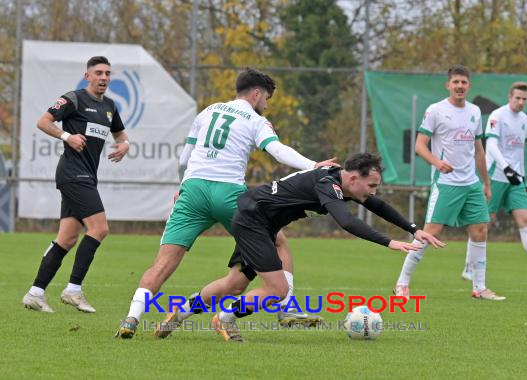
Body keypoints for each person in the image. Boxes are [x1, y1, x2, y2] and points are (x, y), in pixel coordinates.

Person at [116, 68, 336, 339]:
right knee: (278, 241)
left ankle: (131, 318)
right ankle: (286, 306)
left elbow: (184, 160)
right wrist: (314, 166)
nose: (266, 105)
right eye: (266, 98)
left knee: (163, 266)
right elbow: (277, 151)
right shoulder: (256, 120)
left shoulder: (207, 112)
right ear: (256, 94)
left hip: (192, 190)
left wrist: (182, 187)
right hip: (229, 194)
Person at [176, 152, 443, 342]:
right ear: (351, 178)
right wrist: (390, 242)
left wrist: (413, 229)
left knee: (234, 283)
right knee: (276, 289)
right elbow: (347, 222)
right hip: (254, 219)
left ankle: (179, 313)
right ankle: (226, 317)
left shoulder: (340, 182)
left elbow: (377, 205)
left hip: (261, 220)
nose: (373, 191)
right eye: (371, 185)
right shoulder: (328, 184)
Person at [22, 56, 130, 313]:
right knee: (100, 228)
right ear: (87, 76)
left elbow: (120, 134)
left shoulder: (110, 107)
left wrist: (125, 144)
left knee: (67, 238)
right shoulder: (74, 98)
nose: (103, 77)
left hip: (86, 175)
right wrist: (67, 135)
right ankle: (73, 289)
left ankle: (35, 293)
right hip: (72, 174)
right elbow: (43, 121)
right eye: (98, 73)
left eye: (107, 73)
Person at [394, 64, 506, 301]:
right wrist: (437, 162)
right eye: (455, 82)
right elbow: (419, 145)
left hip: (471, 183)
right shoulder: (435, 110)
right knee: (429, 232)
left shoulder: (475, 112)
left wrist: (486, 183)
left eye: (464, 82)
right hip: (446, 183)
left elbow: (478, 151)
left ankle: (479, 287)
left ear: (469, 86)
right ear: (448, 85)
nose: (459, 86)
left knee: (480, 230)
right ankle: (402, 282)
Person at [461, 82, 527, 281]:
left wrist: (519, 174)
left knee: (526, 221)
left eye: (524, 99)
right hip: (495, 177)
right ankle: (468, 267)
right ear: (509, 96)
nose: (521, 102)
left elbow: (517, 152)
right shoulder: (497, 116)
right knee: (483, 224)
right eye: (517, 98)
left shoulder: (525, 119)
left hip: (516, 180)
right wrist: (506, 168)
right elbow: (490, 145)